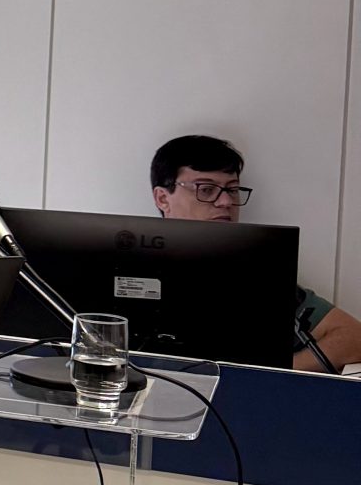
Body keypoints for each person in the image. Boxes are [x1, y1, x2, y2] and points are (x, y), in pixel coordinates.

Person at [149, 133, 361, 372]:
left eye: (232, 190)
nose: (226, 201)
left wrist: (272, 373)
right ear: (162, 198)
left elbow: (354, 338)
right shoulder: (122, 265)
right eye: (206, 189)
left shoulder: (257, 271)